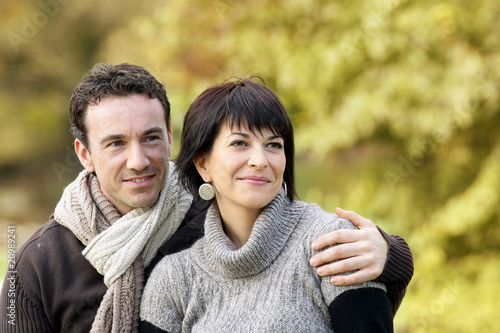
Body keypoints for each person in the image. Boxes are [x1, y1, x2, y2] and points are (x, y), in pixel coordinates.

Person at [0, 64, 413, 332]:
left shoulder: (215, 205)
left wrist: (389, 254)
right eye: (115, 144)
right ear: (85, 155)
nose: (138, 160)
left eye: (150, 138)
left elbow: (334, 251)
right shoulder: (40, 261)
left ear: (172, 139)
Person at [139, 77, 397, 332]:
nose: (259, 160)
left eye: (273, 145)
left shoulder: (331, 243)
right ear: (203, 164)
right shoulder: (173, 279)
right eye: (239, 143)